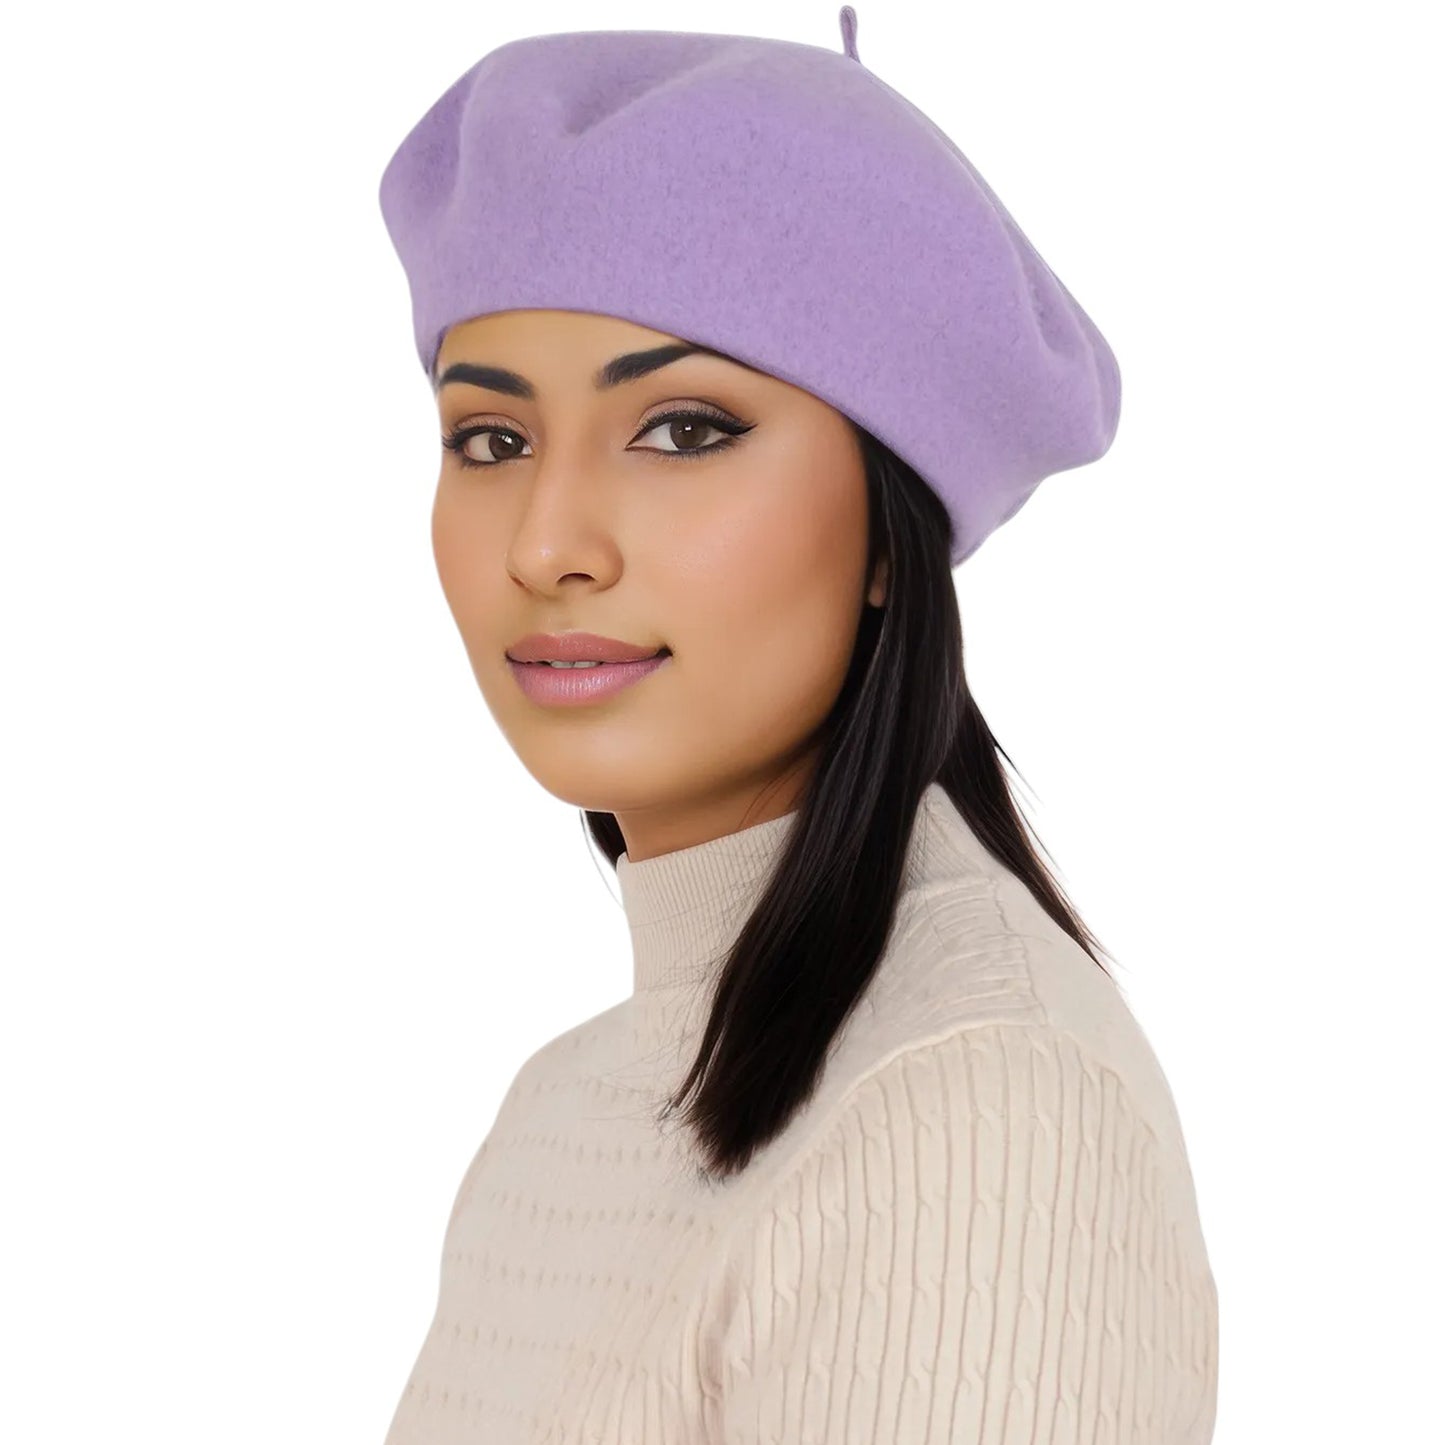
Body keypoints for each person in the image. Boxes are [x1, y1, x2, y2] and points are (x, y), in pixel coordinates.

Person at [375, 11, 1218, 1443]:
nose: (547, 544)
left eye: (684, 430)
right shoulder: (569, 1102)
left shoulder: (976, 1105)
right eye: (491, 440)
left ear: (891, 529)